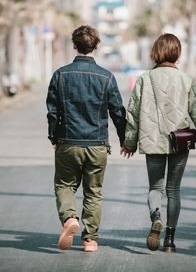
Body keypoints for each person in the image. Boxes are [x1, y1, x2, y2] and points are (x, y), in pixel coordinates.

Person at [121, 33, 196, 252]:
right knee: (174, 190)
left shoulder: (144, 79)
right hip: (179, 142)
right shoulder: (187, 81)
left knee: (156, 187)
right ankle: (169, 241)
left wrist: (129, 143)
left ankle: (156, 216)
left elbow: (133, 114)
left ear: (155, 53)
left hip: (152, 140)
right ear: (177, 53)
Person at [46, 25, 126, 252]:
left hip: (68, 142)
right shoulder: (107, 77)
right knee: (93, 193)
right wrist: (124, 139)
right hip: (97, 144)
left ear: (74, 45)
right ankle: (90, 239)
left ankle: (70, 219)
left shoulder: (60, 74)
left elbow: (52, 110)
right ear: (97, 46)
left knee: (64, 185)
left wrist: (55, 137)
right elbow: (118, 112)